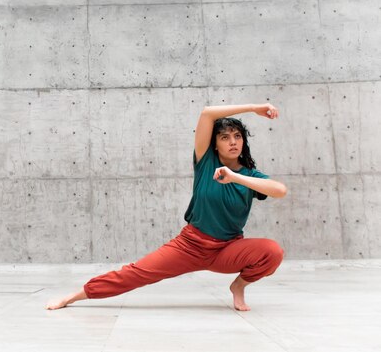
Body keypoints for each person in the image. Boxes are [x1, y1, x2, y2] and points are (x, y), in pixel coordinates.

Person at [46, 103, 287, 312]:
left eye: (237, 136)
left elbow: (280, 190)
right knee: (135, 273)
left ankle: (238, 286)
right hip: (190, 245)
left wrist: (236, 178)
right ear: (215, 145)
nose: (233, 142)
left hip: (227, 249)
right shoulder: (205, 163)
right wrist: (254, 108)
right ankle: (74, 296)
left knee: (272, 251)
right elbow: (206, 114)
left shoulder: (251, 176)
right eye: (225, 137)